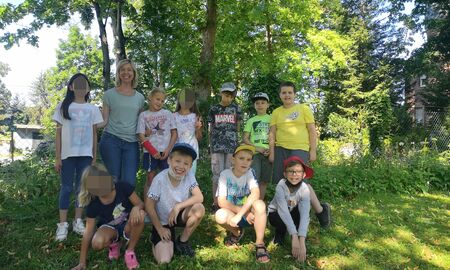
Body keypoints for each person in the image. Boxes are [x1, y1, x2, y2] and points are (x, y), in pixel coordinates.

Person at [268, 81, 331, 228]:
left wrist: (313, 150)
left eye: (290, 92)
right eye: (284, 92)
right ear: (280, 95)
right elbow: (272, 133)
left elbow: (312, 131)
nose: (287, 95)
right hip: (280, 149)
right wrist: (272, 152)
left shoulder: (303, 109)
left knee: (301, 184)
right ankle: (287, 219)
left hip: (299, 149)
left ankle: (321, 211)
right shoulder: (276, 112)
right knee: (282, 184)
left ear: (294, 94)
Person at [53, 73, 103, 241]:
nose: (81, 87)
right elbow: (58, 134)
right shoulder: (63, 106)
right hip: (67, 155)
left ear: (88, 88)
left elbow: (95, 134)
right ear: (71, 87)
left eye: (84, 84)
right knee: (66, 188)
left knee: (82, 189)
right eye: (77, 84)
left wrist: (94, 156)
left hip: (85, 155)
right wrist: (57, 157)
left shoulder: (93, 109)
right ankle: (62, 225)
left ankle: (77, 221)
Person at [71, 164, 145, 270]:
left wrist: (136, 208)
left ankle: (130, 251)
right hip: (109, 228)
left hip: (128, 224)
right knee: (97, 243)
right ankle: (115, 243)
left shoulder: (122, 186)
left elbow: (140, 204)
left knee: (141, 214)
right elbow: (88, 232)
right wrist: (82, 262)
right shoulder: (93, 203)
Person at [145, 143, 205, 264]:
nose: (181, 166)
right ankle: (155, 238)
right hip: (163, 221)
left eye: (186, 163)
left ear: (190, 166)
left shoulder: (189, 175)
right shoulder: (159, 179)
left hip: (178, 215)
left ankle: (182, 242)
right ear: (169, 160)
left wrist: (178, 206)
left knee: (199, 209)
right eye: (177, 161)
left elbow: (199, 197)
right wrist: (160, 228)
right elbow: (149, 205)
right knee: (164, 260)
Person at [214, 145, 270, 263]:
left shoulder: (250, 173)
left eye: (248, 159)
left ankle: (260, 243)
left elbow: (255, 194)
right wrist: (243, 214)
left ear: (251, 162)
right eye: (241, 158)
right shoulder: (225, 175)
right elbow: (221, 201)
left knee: (260, 204)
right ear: (233, 159)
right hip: (235, 215)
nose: (245, 162)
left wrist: (244, 213)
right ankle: (236, 232)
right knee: (219, 215)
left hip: (250, 216)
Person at [99, 59, 145, 187]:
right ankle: (114, 207)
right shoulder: (109, 95)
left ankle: (126, 207)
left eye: (129, 70)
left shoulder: (140, 98)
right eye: (122, 70)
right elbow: (104, 121)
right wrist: (88, 126)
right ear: (118, 73)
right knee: (114, 180)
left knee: (129, 182)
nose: (126, 73)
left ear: (134, 73)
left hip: (132, 143)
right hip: (111, 141)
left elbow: (142, 123)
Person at [268, 156, 313, 262]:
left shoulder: (305, 189)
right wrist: (294, 236)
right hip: (277, 213)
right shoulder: (281, 186)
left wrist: (301, 240)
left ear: (304, 174)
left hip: (292, 212)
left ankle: (297, 235)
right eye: (290, 171)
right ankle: (280, 232)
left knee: (301, 213)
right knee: (280, 218)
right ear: (285, 174)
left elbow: (305, 214)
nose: (294, 174)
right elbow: (283, 211)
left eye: (298, 171)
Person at [208, 82, 243, 212]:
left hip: (231, 146)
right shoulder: (214, 109)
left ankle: (228, 202)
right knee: (217, 174)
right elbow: (210, 129)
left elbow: (238, 127)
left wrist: (238, 144)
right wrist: (210, 147)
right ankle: (215, 203)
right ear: (221, 93)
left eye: (230, 95)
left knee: (229, 173)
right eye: (225, 94)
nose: (228, 97)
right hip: (216, 146)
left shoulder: (236, 109)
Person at [137, 87, 177, 195]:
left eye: (162, 101)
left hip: (166, 152)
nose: (160, 102)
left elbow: (174, 133)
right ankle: (148, 204)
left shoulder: (168, 114)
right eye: (157, 99)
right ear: (150, 98)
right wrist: (152, 151)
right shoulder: (143, 115)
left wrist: (168, 150)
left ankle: (166, 203)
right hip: (150, 153)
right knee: (150, 178)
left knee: (168, 177)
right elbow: (140, 135)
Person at [243, 92, 272, 200]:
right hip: (254, 154)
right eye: (257, 103)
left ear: (268, 105)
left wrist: (271, 149)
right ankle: (251, 203)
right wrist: (256, 148)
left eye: (263, 103)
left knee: (264, 180)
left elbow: (276, 136)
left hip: (268, 154)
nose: (260, 105)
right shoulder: (251, 120)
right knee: (253, 179)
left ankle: (260, 203)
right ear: (254, 105)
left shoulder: (272, 119)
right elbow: (245, 138)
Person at [174, 88, 203, 175]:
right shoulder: (173, 116)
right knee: (177, 177)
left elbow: (199, 137)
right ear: (179, 99)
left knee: (190, 178)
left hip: (192, 151)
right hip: (177, 151)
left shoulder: (196, 116)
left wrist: (198, 128)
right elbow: (171, 136)